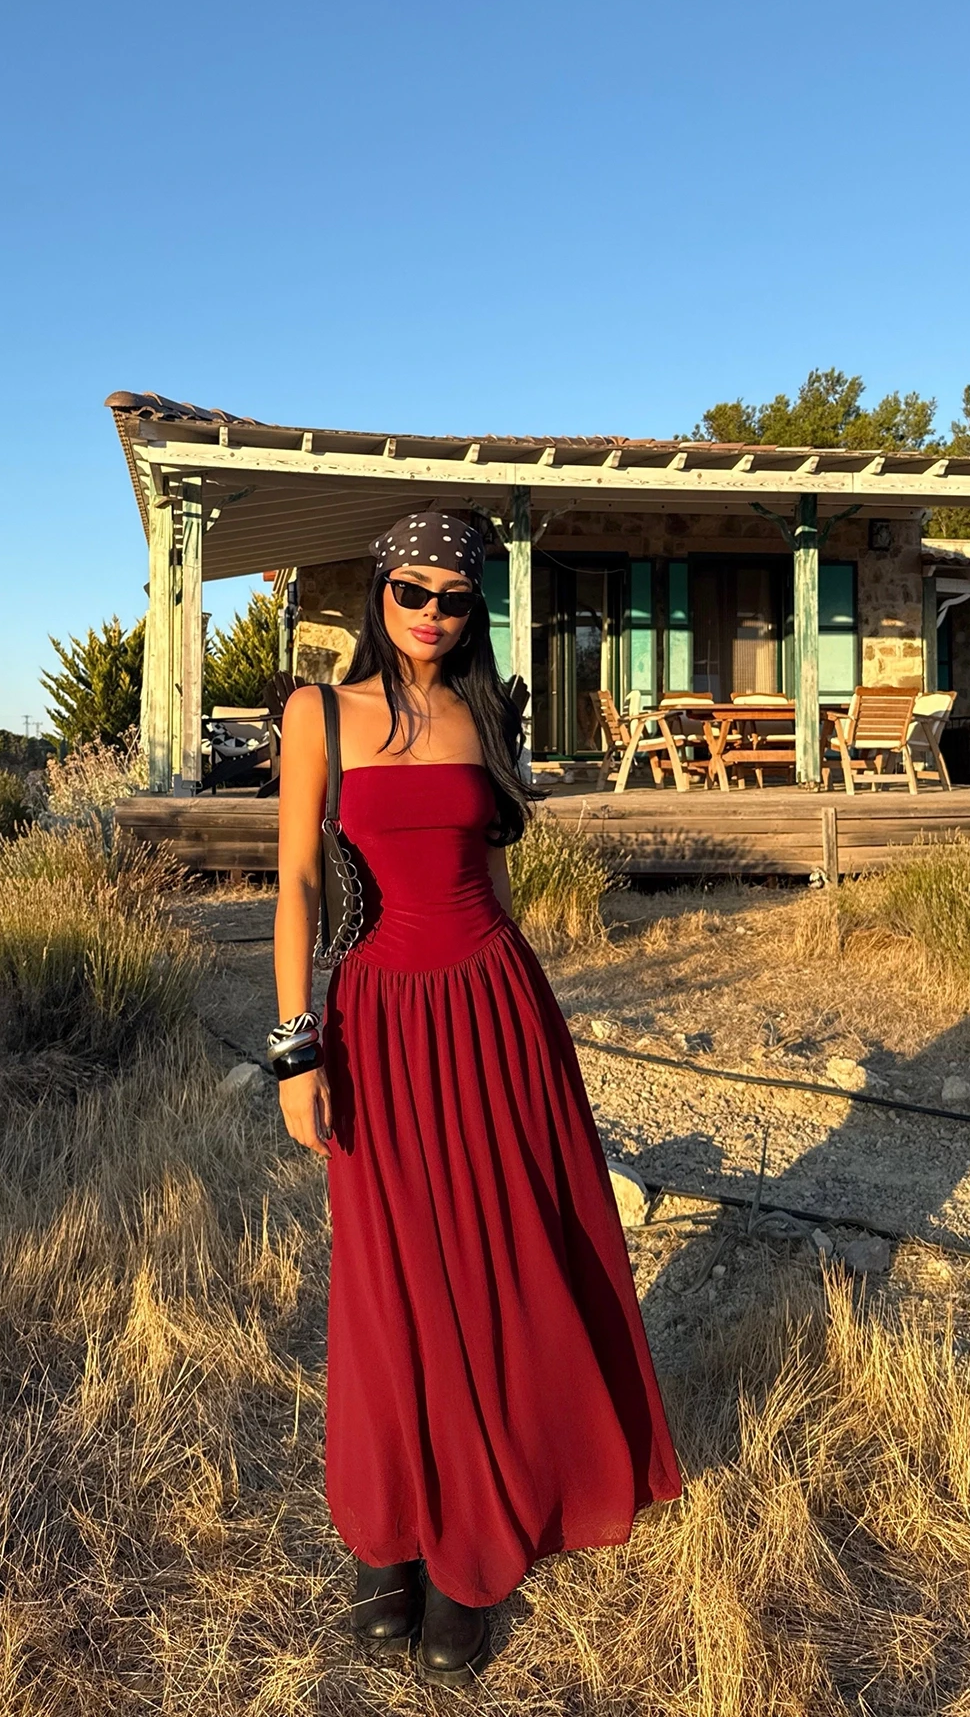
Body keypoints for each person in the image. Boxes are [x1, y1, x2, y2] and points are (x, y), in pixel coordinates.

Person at [270, 512, 682, 1688]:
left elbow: (494, 876)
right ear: (378, 592)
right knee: (392, 1274)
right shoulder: (318, 713)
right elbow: (295, 883)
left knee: (501, 1261)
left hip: (493, 1009)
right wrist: (296, 1048)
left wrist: (522, 1023)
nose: (433, 616)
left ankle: (471, 1546)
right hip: (379, 1022)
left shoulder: (486, 711)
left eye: (456, 599)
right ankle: (390, 1534)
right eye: (413, 592)